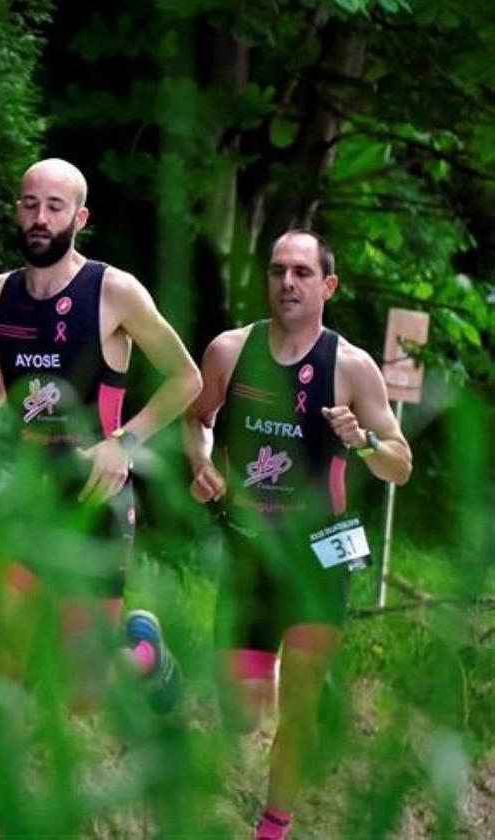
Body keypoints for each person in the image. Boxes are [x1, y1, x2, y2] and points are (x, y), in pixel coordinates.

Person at [0, 158, 201, 711]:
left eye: (55, 206)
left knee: (81, 696)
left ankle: (144, 654)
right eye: (30, 204)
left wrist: (123, 443)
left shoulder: (114, 292)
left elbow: (187, 379)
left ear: (79, 218)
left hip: (96, 497)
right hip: (27, 492)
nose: (40, 217)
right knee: (3, 662)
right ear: (18, 211)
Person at [183, 230, 411, 839]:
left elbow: (400, 464)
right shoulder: (229, 351)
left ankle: (274, 827)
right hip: (249, 551)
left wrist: (363, 440)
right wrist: (201, 462)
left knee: (299, 710)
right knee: (242, 713)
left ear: (327, 286)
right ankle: (264, 674)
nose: (288, 282)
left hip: (321, 554)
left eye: (302, 273)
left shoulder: (352, 368)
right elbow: (197, 418)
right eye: (278, 270)